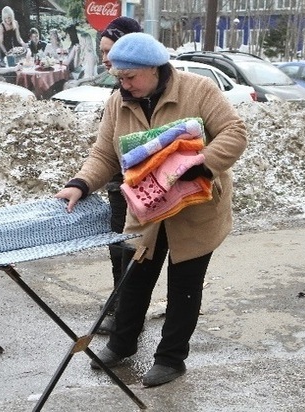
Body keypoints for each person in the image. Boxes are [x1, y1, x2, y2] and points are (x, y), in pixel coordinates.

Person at [55, 32, 248, 387]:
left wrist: (201, 163)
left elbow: (235, 132)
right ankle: (122, 343)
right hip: (146, 204)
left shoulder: (198, 90)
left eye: (130, 77)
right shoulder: (119, 102)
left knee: (184, 284)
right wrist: (79, 184)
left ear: (155, 69)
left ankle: (171, 358)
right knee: (135, 276)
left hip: (196, 206)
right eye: (119, 77)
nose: (124, 85)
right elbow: (104, 154)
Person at [95, 16, 143, 335]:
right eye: (101, 52)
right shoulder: (117, 89)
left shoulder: (141, 89)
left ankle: (128, 315)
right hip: (118, 184)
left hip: (140, 188)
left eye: (109, 51)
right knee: (118, 248)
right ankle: (120, 302)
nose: (104, 59)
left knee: (130, 250)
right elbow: (105, 146)